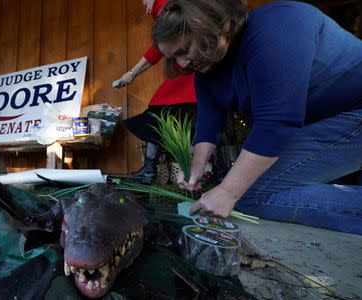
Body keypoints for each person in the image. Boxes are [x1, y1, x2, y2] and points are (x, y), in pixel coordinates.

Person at [152, 0, 362, 234]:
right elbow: (210, 119)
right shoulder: (208, 67)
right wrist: (196, 165)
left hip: (354, 113)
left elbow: (274, 126)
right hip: (330, 122)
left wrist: (228, 192)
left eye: (183, 50)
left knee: (248, 195)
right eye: (174, 58)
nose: (182, 64)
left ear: (206, 26)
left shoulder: (275, 29)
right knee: (246, 188)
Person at [114, 0, 197, 184]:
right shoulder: (168, 8)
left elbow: (157, 48)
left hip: (191, 76)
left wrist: (131, 73)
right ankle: (151, 169)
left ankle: (150, 169)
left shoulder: (167, 7)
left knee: (157, 112)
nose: (144, 6)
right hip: (190, 77)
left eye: (144, 1)